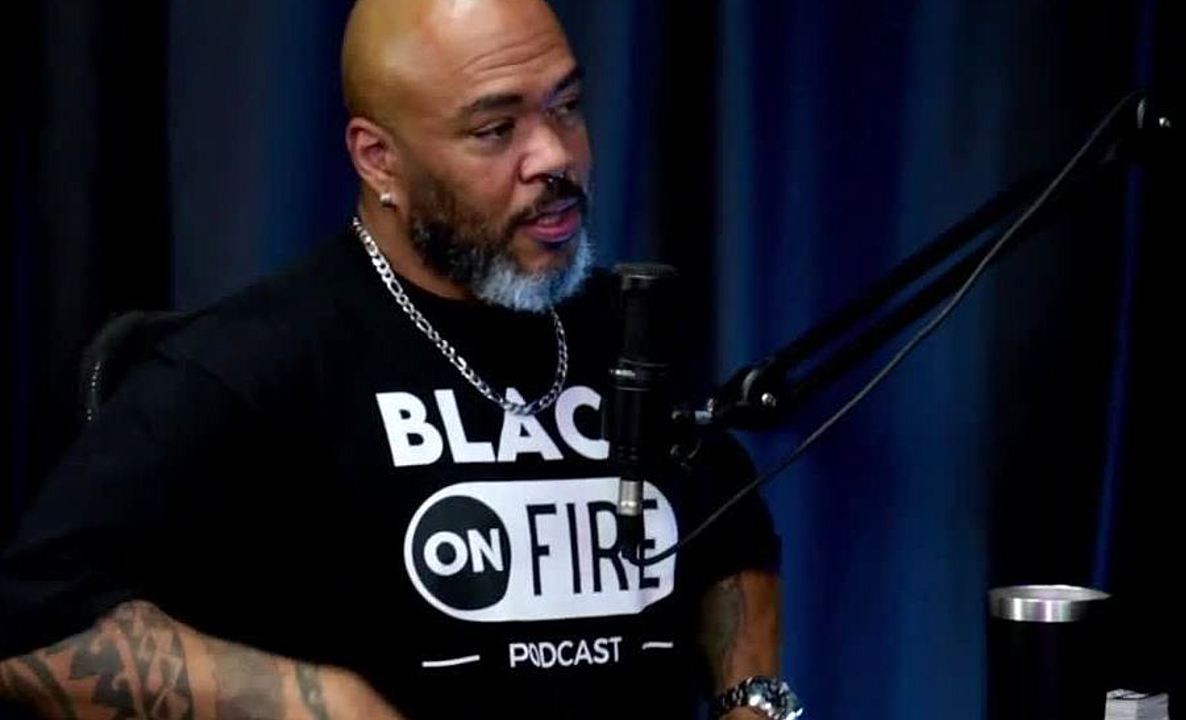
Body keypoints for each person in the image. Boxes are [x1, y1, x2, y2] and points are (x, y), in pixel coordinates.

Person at [0, 0, 798, 717]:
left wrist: (750, 699)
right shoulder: (250, 363)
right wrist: (321, 706)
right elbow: (29, 627)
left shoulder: (624, 333)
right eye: (496, 130)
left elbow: (733, 539)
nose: (555, 157)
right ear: (379, 158)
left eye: (566, 107)